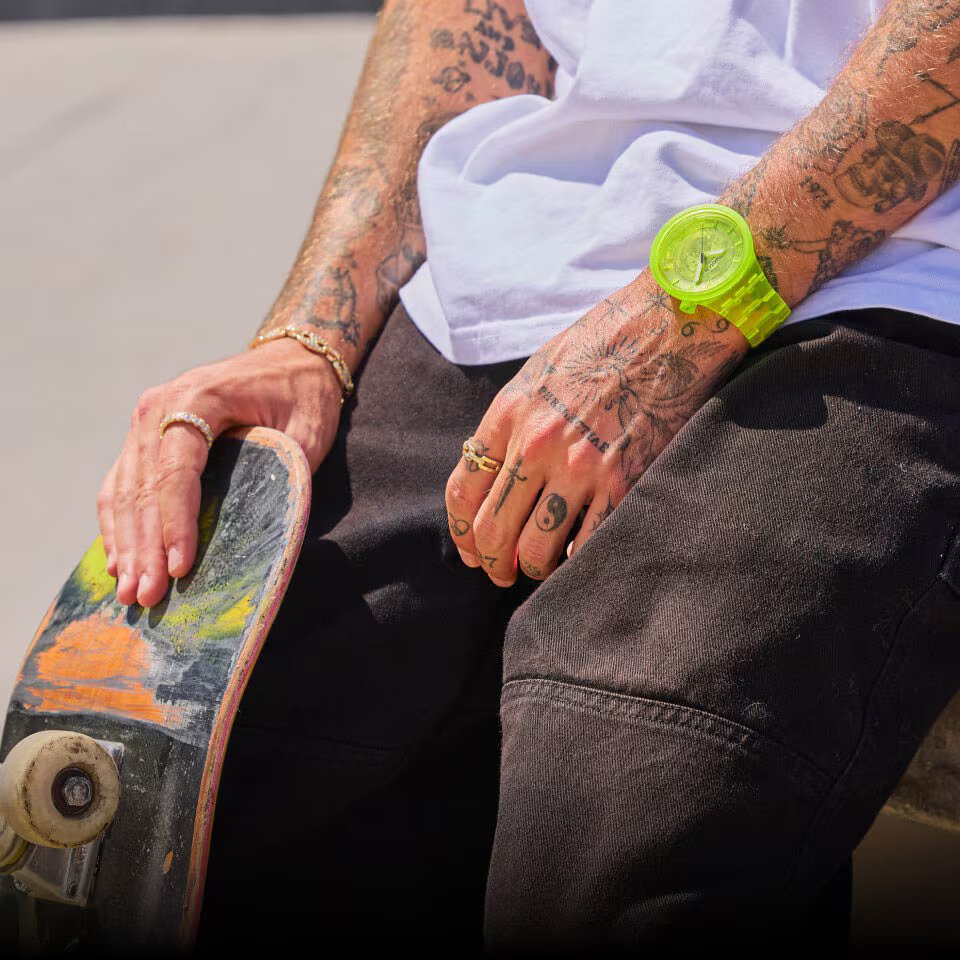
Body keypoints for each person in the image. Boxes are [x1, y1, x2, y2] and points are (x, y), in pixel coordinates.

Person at [96, 0, 960, 950]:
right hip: (508, 261)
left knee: (621, 827)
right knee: (200, 783)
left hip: (900, 278)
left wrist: (686, 312)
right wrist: (311, 337)